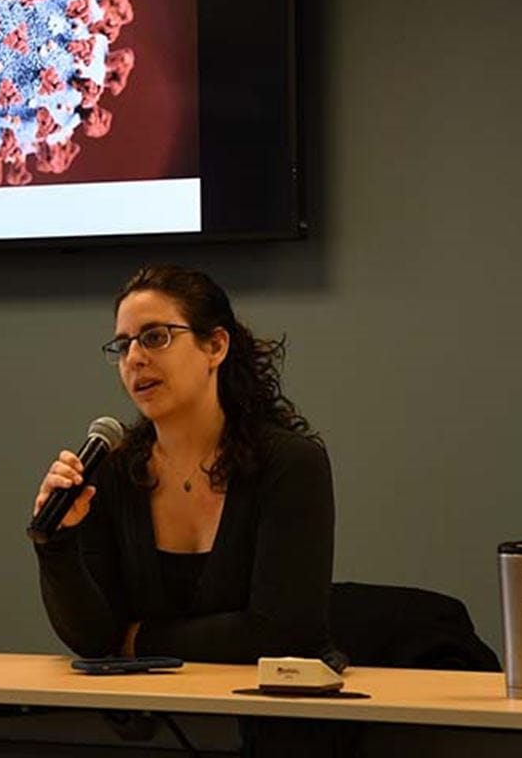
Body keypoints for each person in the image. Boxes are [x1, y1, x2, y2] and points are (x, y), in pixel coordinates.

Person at [32, 266, 333, 663]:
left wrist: (139, 642)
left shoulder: (290, 464)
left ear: (216, 346)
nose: (135, 359)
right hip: (147, 717)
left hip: (267, 715)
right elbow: (94, 640)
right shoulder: (112, 471)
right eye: (123, 346)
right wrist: (57, 543)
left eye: (156, 338)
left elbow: (281, 634)